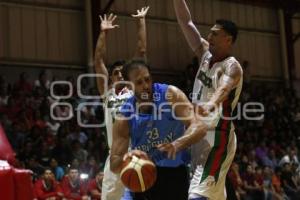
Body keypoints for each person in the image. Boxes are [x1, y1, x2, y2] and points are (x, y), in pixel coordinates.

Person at [158, 1, 243, 199]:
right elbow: (186, 21)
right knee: (209, 195)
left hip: (217, 139)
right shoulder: (205, 53)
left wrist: (209, 104)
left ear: (228, 40)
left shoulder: (232, 67)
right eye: (210, 32)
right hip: (196, 134)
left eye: (215, 34)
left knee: (197, 195)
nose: (209, 36)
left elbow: (223, 89)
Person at [110, 59, 208, 200]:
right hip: (143, 172)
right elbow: (114, 163)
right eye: (139, 82)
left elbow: (200, 127)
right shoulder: (124, 116)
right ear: (129, 86)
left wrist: (176, 145)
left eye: (147, 79)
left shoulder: (170, 95)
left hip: (174, 174)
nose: (145, 86)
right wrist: (128, 158)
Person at [94, 7, 149, 200]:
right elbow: (99, 60)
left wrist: (141, 22)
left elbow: (141, 52)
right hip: (115, 157)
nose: (118, 75)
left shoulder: (134, 93)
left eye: (121, 72)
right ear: (110, 78)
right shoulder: (107, 95)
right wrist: (103, 33)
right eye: (115, 73)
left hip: (136, 156)